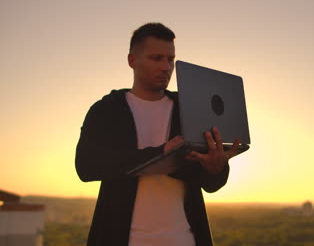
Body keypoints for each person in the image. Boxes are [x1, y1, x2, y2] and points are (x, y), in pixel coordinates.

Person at [75, 22, 240, 246]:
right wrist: (160, 154)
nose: (166, 67)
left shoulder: (190, 109)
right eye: (156, 58)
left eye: (170, 59)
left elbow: (210, 184)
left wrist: (216, 167)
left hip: (185, 239)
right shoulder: (106, 110)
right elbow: (86, 167)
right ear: (132, 60)